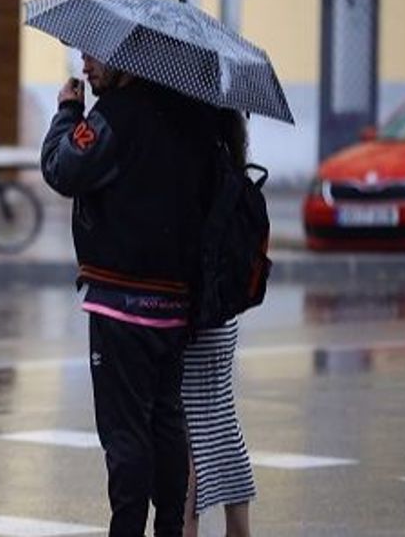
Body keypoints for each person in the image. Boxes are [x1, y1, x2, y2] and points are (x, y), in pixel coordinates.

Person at [40, 52, 219, 537]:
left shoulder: (117, 116)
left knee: (126, 435)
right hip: (174, 305)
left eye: (95, 57)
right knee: (165, 423)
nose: (85, 64)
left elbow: (62, 169)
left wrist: (67, 113)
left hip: (122, 304)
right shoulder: (193, 119)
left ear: (129, 64)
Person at [182, 111, 256, 537]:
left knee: (189, 430)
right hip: (222, 308)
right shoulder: (231, 157)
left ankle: (186, 527)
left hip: (195, 304)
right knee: (220, 414)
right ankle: (239, 529)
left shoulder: (195, 162)